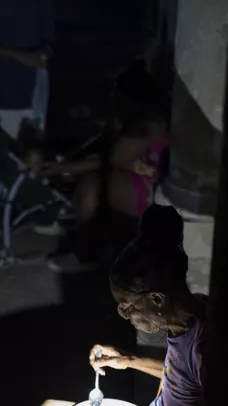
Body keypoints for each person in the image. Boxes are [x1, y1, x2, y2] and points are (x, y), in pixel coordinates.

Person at [32, 205, 205, 406]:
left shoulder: (204, 348)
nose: (125, 316)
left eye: (128, 306)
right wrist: (127, 360)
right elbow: (181, 377)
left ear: (156, 300)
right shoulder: (193, 316)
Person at [45, 61, 171, 273]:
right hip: (151, 185)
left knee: (92, 188)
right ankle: (105, 245)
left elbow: (108, 161)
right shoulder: (152, 118)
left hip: (155, 194)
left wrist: (63, 168)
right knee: (96, 180)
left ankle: (86, 253)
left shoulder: (149, 125)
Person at [0, 0, 55, 140]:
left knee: (34, 144)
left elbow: (50, 44)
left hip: (36, 90)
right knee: (8, 143)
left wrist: (43, 55)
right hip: (4, 90)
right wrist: (18, 55)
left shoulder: (42, 3)